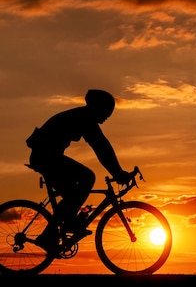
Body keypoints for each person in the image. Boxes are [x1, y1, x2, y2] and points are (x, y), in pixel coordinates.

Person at [26, 89, 132, 255]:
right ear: (97, 107)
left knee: (72, 194)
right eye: (106, 113)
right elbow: (102, 148)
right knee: (87, 177)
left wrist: (118, 172)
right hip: (46, 157)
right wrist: (118, 173)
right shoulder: (85, 118)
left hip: (46, 156)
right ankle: (55, 231)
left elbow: (103, 147)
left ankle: (58, 228)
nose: (106, 119)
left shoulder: (83, 116)